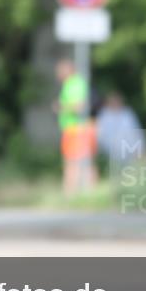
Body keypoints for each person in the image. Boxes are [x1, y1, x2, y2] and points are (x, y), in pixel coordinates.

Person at [55, 58, 97, 194]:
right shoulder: (72, 83)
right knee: (82, 161)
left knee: (74, 162)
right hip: (75, 128)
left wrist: (62, 107)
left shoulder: (74, 83)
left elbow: (80, 106)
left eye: (59, 71)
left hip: (77, 128)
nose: (57, 74)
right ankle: (87, 192)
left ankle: (71, 192)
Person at [96, 91, 145, 166]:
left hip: (128, 149)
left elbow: (136, 132)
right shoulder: (104, 115)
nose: (116, 103)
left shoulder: (127, 114)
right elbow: (100, 136)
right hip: (110, 149)